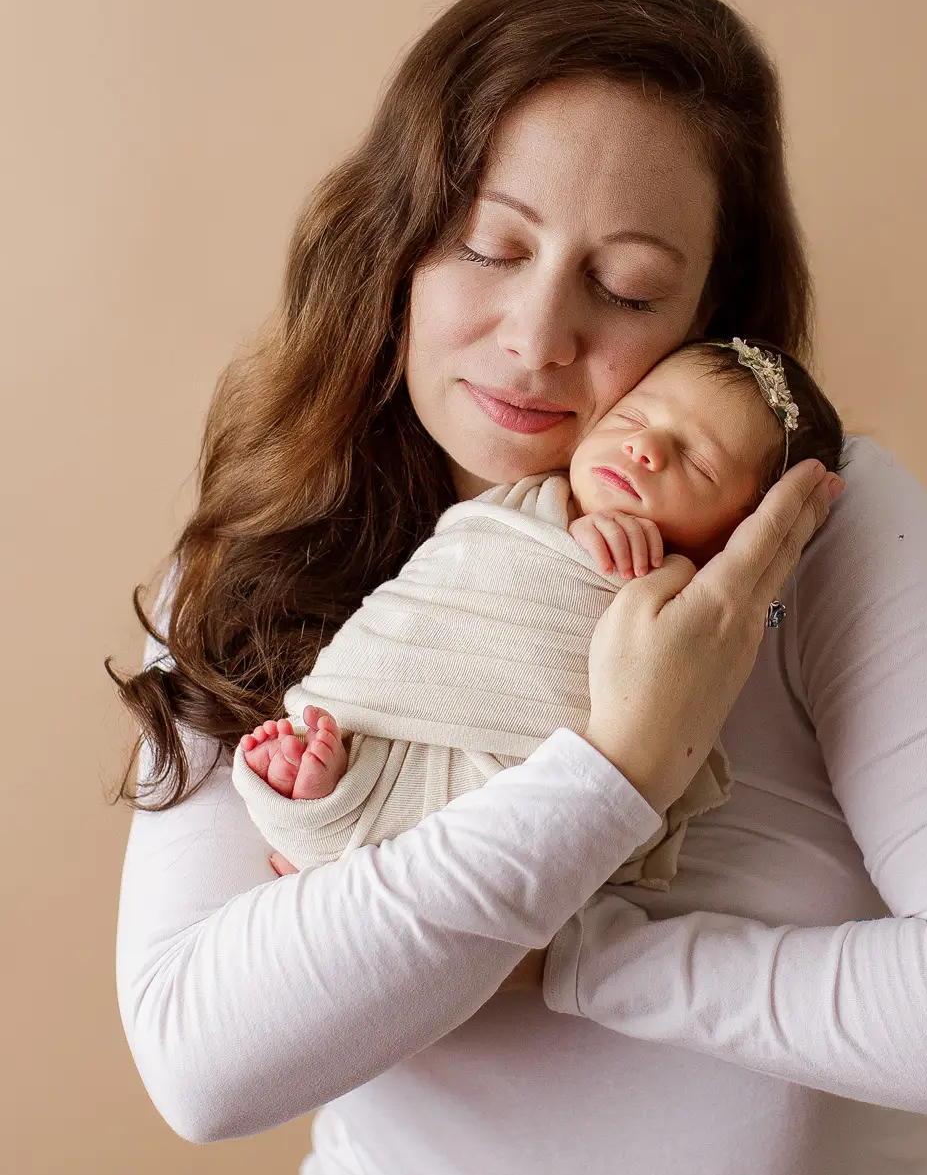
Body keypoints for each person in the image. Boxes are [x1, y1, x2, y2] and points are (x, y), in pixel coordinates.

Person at [111, 0, 927, 1175]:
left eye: (628, 286)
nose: (537, 334)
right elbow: (203, 1062)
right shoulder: (260, 560)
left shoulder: (815, 532)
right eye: (490, 246)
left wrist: (591, 957)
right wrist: (612, 774)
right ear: (396, 245)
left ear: (713, 325)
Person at [230, 338, 846, 891]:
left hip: (511, 763)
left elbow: (665, 677)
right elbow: (447, 585)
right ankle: (329, 794)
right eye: (633, 415)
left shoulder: (679, 594)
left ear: (741, 536)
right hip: (403, 699)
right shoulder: (525, 501)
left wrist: (635, 567)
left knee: (479, 818)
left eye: (697, 463)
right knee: (351, 745)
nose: (646, 447)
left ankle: (334, 825)